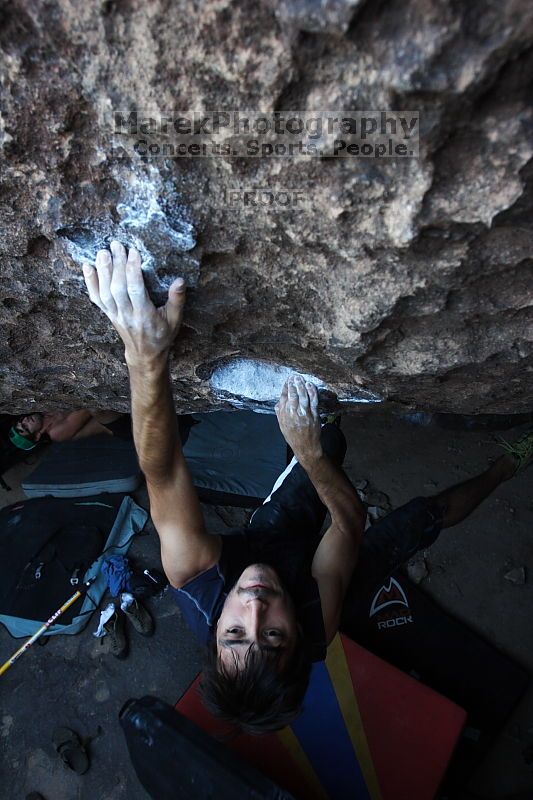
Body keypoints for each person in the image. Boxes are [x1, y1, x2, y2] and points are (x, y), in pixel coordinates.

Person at [83, 241, 532, 734]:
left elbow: (163, 470)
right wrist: (311, 457)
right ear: (298, 634)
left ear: (215, 633)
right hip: (327, 574)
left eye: (235, 632)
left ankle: (332, 420)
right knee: (424, 515)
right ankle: (506, 468)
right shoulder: (320, 621)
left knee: (326, 438)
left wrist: (145, 357)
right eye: (272, 634)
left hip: (271, 539)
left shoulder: (194, 577)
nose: (253, 606)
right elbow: (349, 522)